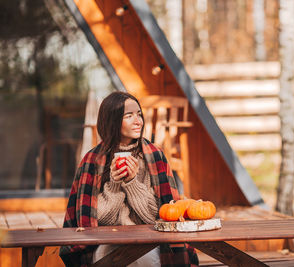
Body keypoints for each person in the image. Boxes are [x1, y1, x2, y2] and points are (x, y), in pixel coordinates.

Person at [60, 91, 199, 266]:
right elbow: (91, 222)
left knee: (146, 260)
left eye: (139, 114)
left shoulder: (155, 156)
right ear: (112, 121)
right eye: (129, 115)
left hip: (149, 240)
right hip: (106, 240)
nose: (138, 121)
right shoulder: (92, 160)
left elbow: (160, 217)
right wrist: (114, 185)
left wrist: (132, 184)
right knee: (106, 260)